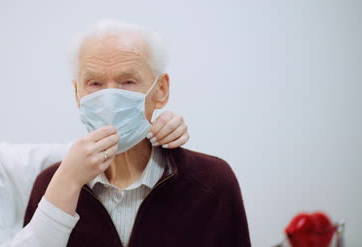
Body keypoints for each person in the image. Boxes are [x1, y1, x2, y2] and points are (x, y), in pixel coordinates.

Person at [24, 20, 251, 247]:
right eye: (94, 83)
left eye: (128, 82)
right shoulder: (52, 188)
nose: (110, 97)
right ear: (77, 94)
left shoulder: (211, 182)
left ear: (161, 89)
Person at [0, 76, 190, 247]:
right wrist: (67, 180)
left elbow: (89, 153)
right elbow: (74, 168)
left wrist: (153, 128)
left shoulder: (4, 162)